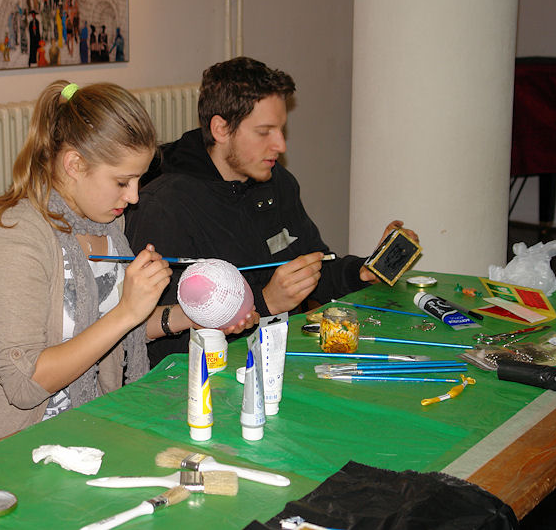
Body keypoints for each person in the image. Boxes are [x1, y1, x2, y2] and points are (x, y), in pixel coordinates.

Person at [0, 81, 251, 456]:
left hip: (91, 425)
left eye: (138, 180)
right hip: (9, 447)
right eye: (122, 182)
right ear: (74, 165)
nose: (134, 196)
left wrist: (198, 315)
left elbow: (113, 329)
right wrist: (127, 312)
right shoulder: (16, 238)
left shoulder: (106, 225)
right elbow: (25, 384)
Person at [125, 57, 418, 367]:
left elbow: (316, 266)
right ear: (221, 129)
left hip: (276, 358)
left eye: (281, 130)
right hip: (204, 379)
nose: (280, 145)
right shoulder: (163, 206)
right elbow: (161, 342)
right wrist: (266, 301)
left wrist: (362, 271)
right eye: (264, 132)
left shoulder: (277, 183)